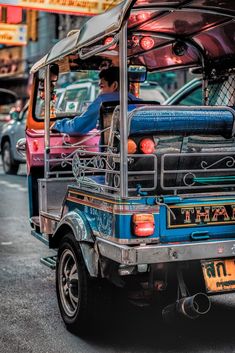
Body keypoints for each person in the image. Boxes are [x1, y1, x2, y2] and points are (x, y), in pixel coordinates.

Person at [51, 66, 141, 135]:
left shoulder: (104, 102)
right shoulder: (140, 103)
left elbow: (77, 127)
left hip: (110, 154)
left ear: (114, 85)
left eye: (102, 87)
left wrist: (58, 124)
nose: (100, 91)